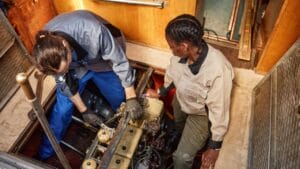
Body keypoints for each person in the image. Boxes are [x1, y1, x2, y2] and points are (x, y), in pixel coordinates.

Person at [31, 10, 143, 160]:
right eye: (60, 71)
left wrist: (131, 97)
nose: (62, 72)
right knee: (62, 110)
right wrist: (84, 110)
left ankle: (122, 128)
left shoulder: (93, 32)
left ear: (65, 45)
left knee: (119, 98)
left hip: (100, 57)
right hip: (76, 64)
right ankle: (45, 153)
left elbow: (119, 61)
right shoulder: (47, 49)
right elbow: (64, 81)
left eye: (64, 68)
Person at [146, 14, 234, 169]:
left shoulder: (218, 69)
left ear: (184, 46)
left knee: (181, 158)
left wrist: (214, 146)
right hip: (181, 102)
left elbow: (219, 109)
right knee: (178, 127)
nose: (171, 50)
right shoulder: (180, 56)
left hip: (200, 114)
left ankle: (196, 148)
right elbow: (172, 74)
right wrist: (160, 92)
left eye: (172, 46)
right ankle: (181, 136)